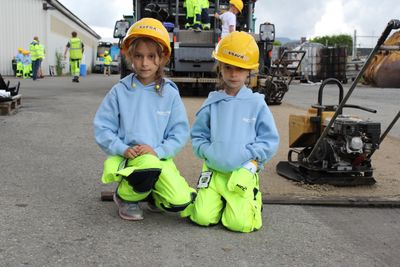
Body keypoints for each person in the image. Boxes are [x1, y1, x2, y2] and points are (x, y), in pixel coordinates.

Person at [93, 18, 196, 221]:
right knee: (146, 168)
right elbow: (102, 127)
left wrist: (157, 151)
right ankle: (125, 197)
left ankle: (152, 194)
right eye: (138, 56)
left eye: (151, 56)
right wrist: (122, 148)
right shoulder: (119, 92)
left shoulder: (170, 94)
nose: (144, 63)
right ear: (130, 56)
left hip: (159, 158)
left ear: (163, 57)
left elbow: (179, 132)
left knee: (181, 202)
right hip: (129, 159)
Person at [181, 31, 280, 233]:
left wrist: (252, 161)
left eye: (240, 69)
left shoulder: (256, 104)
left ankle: (251, 199)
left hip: (240, 174)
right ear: (220, 69)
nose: (233, 74)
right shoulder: (212, 102)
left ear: (249, 71)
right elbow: (198, 135)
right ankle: (216, 200)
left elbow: (269, 140)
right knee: (201, 217)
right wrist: (208, 152)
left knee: (239, 224)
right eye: (228, 67)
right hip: (214, 172)